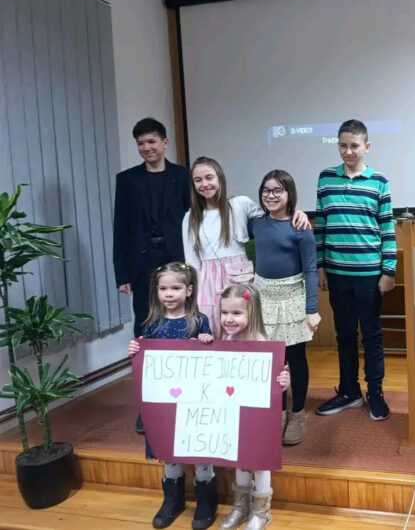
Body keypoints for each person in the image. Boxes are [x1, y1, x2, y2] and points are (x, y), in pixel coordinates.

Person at [314, 119, 397, 421]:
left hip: (370, 276)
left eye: (354, 146)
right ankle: (349, 391)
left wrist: (389, 271)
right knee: (344, 334)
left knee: (372, 336)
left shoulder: (379, 181)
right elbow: (320, 226)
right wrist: (320, 267)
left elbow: (387, 227)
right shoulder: (326, 178)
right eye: (343, 146)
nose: (348, 151)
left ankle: (375, 393)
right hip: (337, 274)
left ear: (366, 146)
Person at [127, 262, 218, 530]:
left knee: (200, 447)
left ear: (188, 290)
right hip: (165, 402)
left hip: (194, 399)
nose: (168, 294)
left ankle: (206, 501)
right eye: (163, 288)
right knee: (168, 448)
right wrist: (134, 350)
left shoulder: (199, 321)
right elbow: (145, 360)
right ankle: (173, 500)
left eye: (175, 288)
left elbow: (212, 357)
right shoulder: (151, 323)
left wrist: (205, 341)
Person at [114, 117, 189, 435]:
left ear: (165, 143)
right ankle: (148, 405)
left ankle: (183, 397)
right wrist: (122, 273)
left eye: (151, 141)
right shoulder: (127, 180)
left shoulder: (183, 176)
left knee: (183, 326)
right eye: (140, 143)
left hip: (178, 263)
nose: (146, 148)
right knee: (145, 330)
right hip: (142, 265)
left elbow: (195, 222)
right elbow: (120, 228)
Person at [182, 157, 310, 339]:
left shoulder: (239, 204)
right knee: (213, 332)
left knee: (245, 333)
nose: (204, 184)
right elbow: (193, 263)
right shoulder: (190, 218)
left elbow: (272, 218)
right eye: (198, 180)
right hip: (207, 284)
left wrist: (297, 212)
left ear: (219, 177)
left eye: (209, 177)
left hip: (240, 279)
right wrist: (195, 296)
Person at [249, 170, 320, 446]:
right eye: (266, 190)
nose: (271, 195)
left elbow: (311, 270)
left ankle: (297, 414)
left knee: (296, 358)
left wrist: (311, 309)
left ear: (289, 193)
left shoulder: (300, 228)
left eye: (278, 190)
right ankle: (276, 414)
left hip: (292, 297)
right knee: (271, 360)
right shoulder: (256, 223)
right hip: (263, 297)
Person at [217, 283, 289, 530]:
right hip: (234, 412)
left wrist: (284, 382)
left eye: (236, 313)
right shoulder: (226, 340)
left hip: (257, 417)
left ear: (252, 313)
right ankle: (241, 507)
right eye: (224, 312)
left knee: (259, 463)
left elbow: (275, 385)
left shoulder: (261, 343)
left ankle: (260, 512)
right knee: (239, 459)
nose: (229, 319)